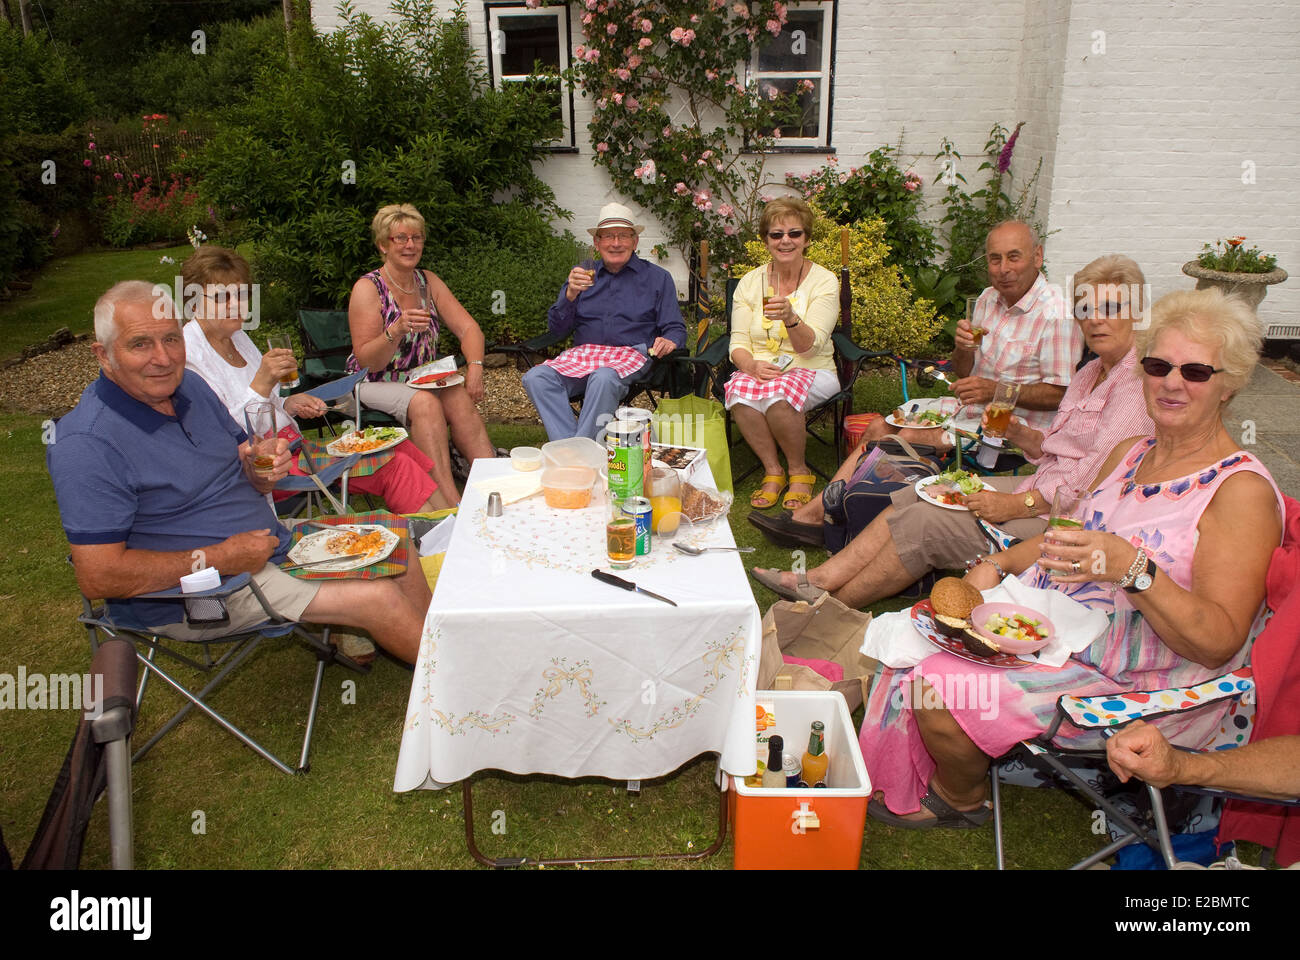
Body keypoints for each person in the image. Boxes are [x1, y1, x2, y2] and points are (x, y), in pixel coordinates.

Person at [859, 287, 1284, 828]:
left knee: (940, 689)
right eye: (1158, 365)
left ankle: (959, 797)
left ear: (1230, 385)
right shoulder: (1130, 454)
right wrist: (999, 565)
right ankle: (918, 765)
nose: (1172, 383)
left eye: (1196, 372)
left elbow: (1219, 639)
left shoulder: (1238, 490)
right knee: (914, 634)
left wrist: (1133, 570)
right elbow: (1070, 533)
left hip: (1143, 679)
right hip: (1060, 628)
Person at [47, 281, 432, 664]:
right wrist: (223, 557)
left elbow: (244, 464)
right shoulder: (86, 444)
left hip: (269, 543)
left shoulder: (190, 387)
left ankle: (449, 657)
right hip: (201, 592)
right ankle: (462, 693)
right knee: (379, 599)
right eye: (140, 344)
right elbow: (99, 577)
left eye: (170, 339)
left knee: (396, 541)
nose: (163, 358)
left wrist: (261, 468)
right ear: (103, 354)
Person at [751, 255, 1154, 606]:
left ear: (1137, 311)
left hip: (1066, 518)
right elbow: (1054, 448)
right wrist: (1014, 430)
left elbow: (1092, 484)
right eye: (1085, 309)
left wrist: (1018, 505)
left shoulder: (1135, 383)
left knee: (926, 521)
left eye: (1111, 307)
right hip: (1040, 484)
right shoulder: (1092, 372)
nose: (1095, 318)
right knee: (917, 493)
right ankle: (819, 579)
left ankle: (828, 610)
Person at [180, 246, 450, 515]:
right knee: (394, 465)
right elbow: (222, 436)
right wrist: (262, 383)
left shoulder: (237, 337)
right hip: (265, 469)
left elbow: (268, 401)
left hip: (297, 448)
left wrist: (289, 403)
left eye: (241, 295)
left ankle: (452, 516)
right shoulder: (189, 356)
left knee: (397, 444)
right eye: (221, 298)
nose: (235, 305)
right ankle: (435, 539)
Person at [859, 219, 1079, 455]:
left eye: (1014, 257)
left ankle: (897, 488)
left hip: (1009, 428)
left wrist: (997, 390)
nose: (1003, 268)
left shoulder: (1057, 314)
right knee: (878, 427)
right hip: (967, 410)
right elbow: (964, 373)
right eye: (995, 259)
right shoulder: (987, 298)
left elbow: (1061, 394)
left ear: (1038, 256)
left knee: (908, 438)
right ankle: (837, 493)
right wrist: (963, 348)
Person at [347, 203, 495, 504]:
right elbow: (367, 360)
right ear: (383, 245)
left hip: (417, 377)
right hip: (371, 381)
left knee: (455, 392)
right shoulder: (368, 288)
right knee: (425, 403)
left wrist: (476, 366)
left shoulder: (427, 281)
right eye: (399, 238)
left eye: (416, 237)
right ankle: (451, 505)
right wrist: (396, 330)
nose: (410, 245)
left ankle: (495, 487)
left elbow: (469, 329)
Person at [521, 202, 685, 441]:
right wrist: (569, 296)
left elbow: (675, 327)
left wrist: (670, 340)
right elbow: (557, 329)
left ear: (635, 242)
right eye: (608, 236)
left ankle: (579, 453)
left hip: (630, 356)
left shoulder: (658, 278)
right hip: (584, 357)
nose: (615, 243)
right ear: (597, 243)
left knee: (604, 377)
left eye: (623, 236)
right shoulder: (581, 278)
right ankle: (573, 448)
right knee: (536, 378)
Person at [727, 197, 840, 511]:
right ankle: (773, 470)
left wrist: (791, 316)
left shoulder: (824, 281)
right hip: (761, 366)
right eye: (776, 234)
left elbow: (811, 346)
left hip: (813, 368)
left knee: (778, 397)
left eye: (794, 233)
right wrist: (750, 364)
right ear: (766, 240)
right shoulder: (750, 283)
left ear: (806, 239)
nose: (785, 241)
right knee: (739, 393)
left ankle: (799, 471)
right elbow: (736, 341)